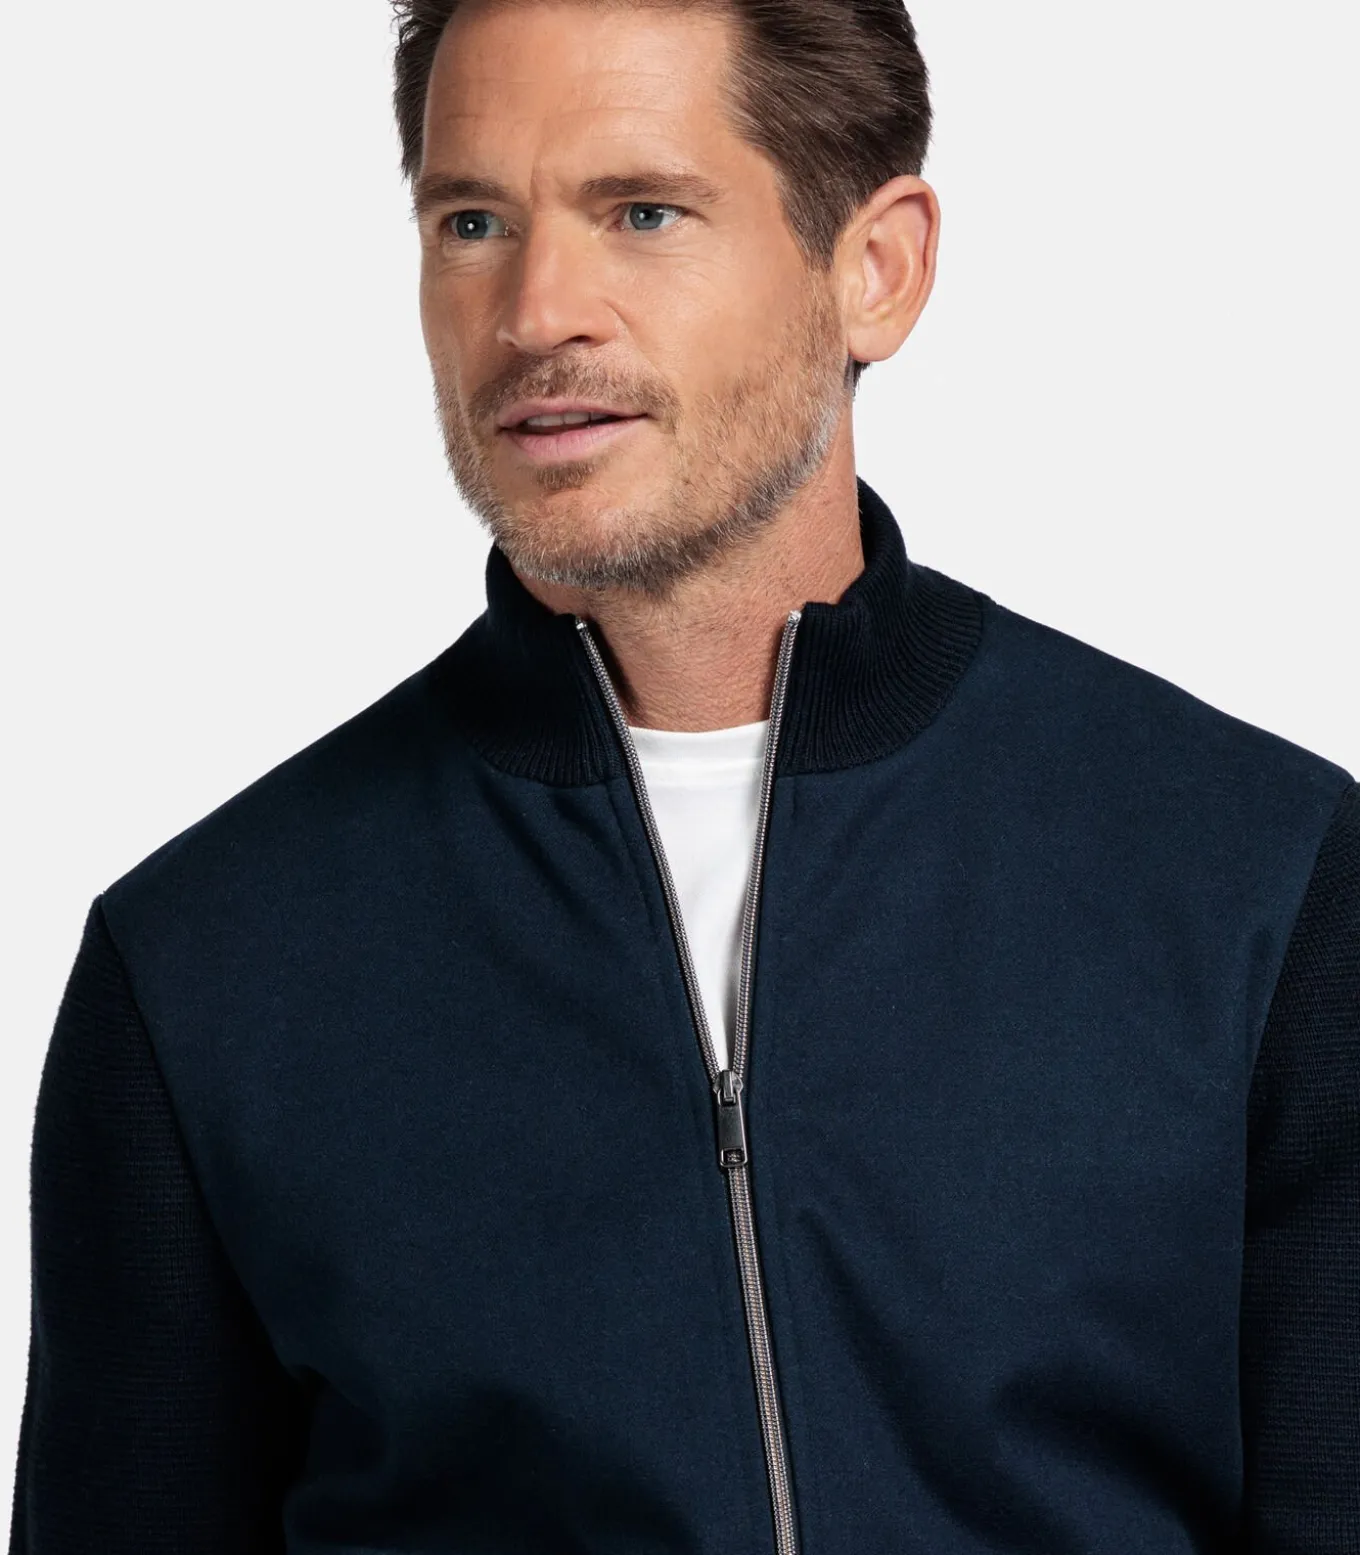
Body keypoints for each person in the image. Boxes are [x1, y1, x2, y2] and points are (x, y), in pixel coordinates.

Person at [9, 0, 1357, 1548]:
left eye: (642, 211)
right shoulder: (206, 965)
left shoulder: (1259, 882)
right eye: (471, 222)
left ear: (876, 269)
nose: (535, 311)